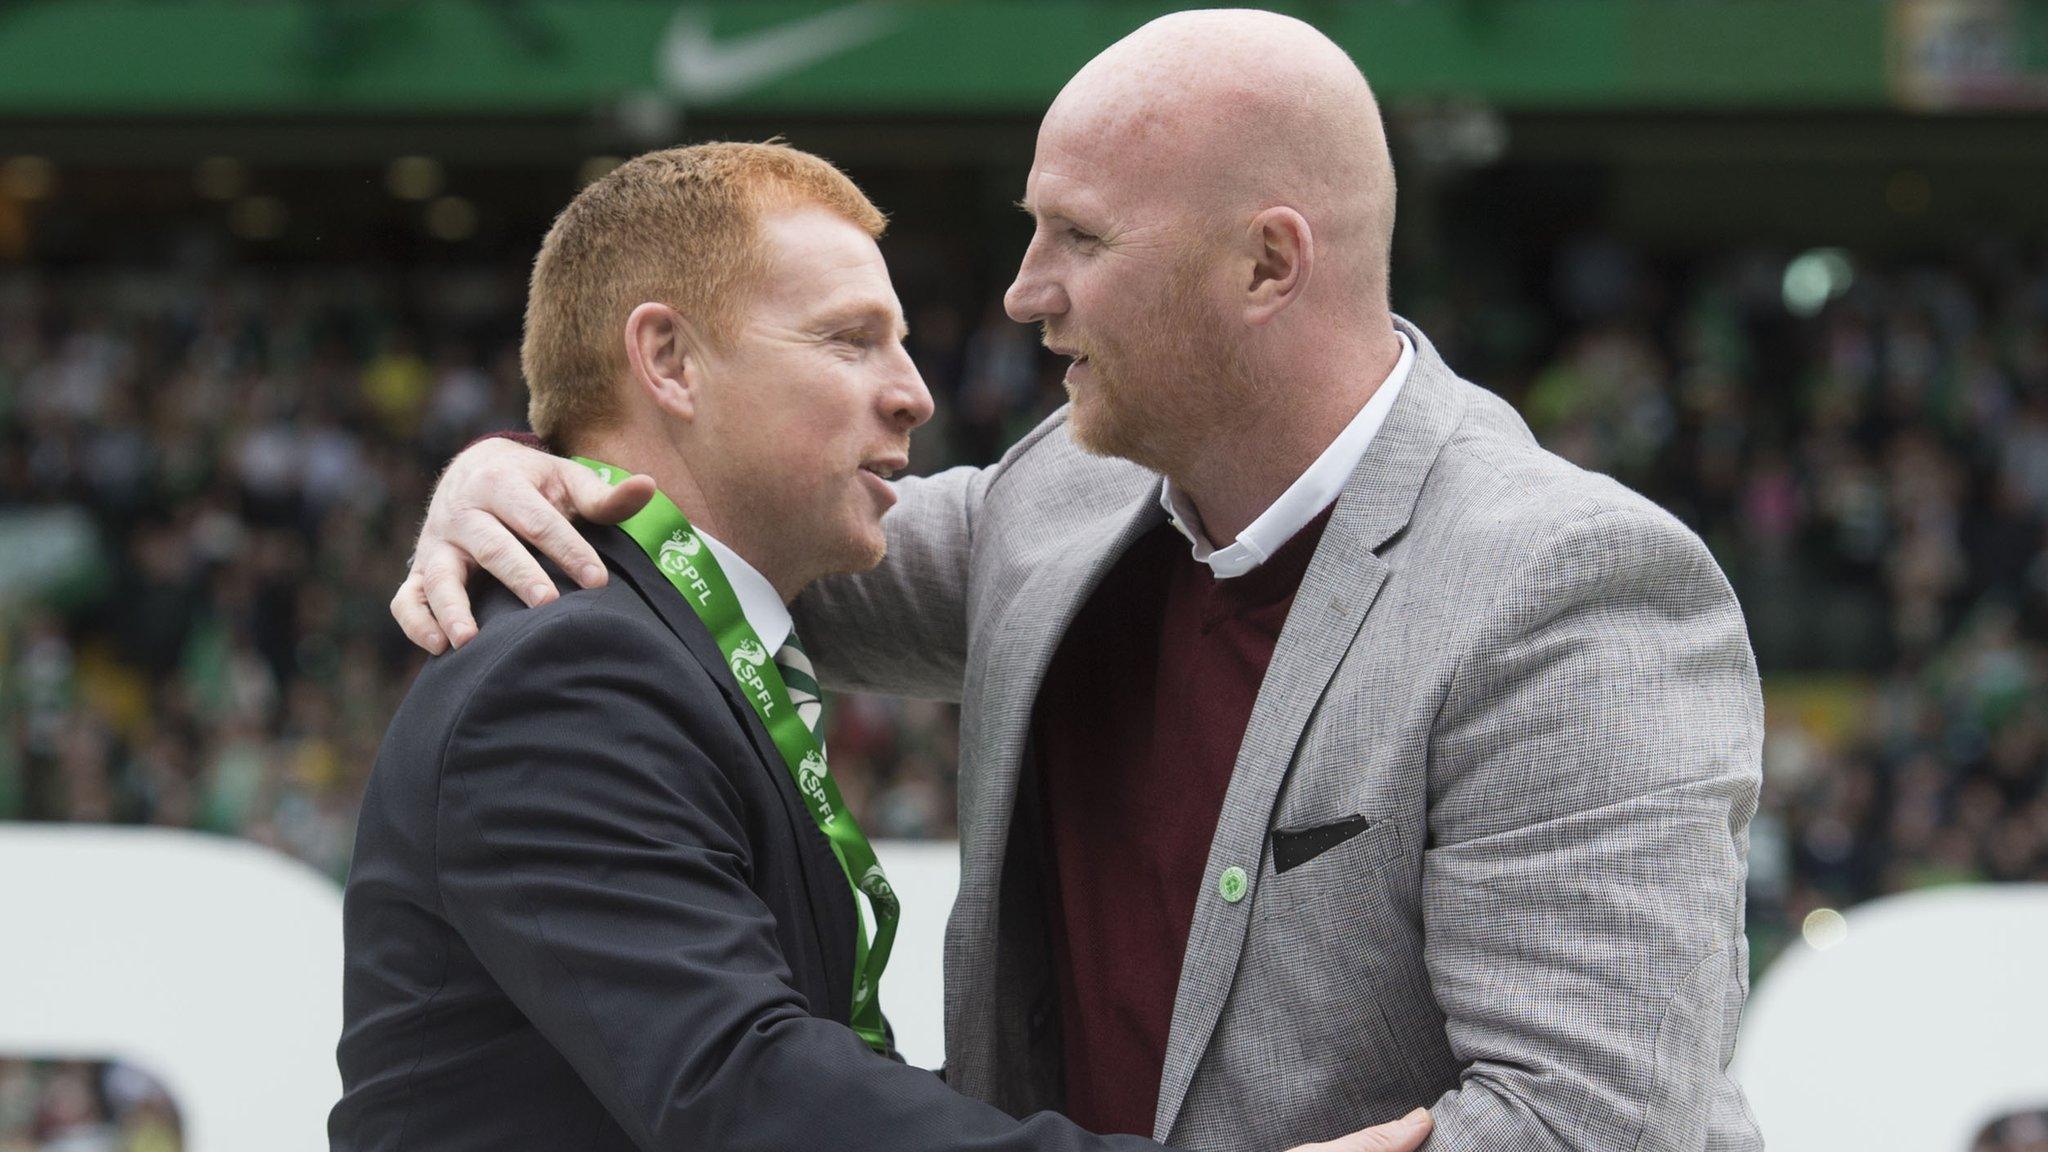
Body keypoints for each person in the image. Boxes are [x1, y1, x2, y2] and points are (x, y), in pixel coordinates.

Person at [393, 11, 1763, 1151]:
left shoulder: (1569, 587)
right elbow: (737, 526)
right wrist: (529, 462)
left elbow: (1586, 1124)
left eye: (1081, 240)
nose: (1022, 292)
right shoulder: (1057, 509)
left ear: (1268, 264)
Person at [332, 141, 1428, 1152]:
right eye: (851, 341)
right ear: (666, 358)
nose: (912, 394)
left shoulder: (669, 637)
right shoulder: (566, 674)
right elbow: (748, 1089)